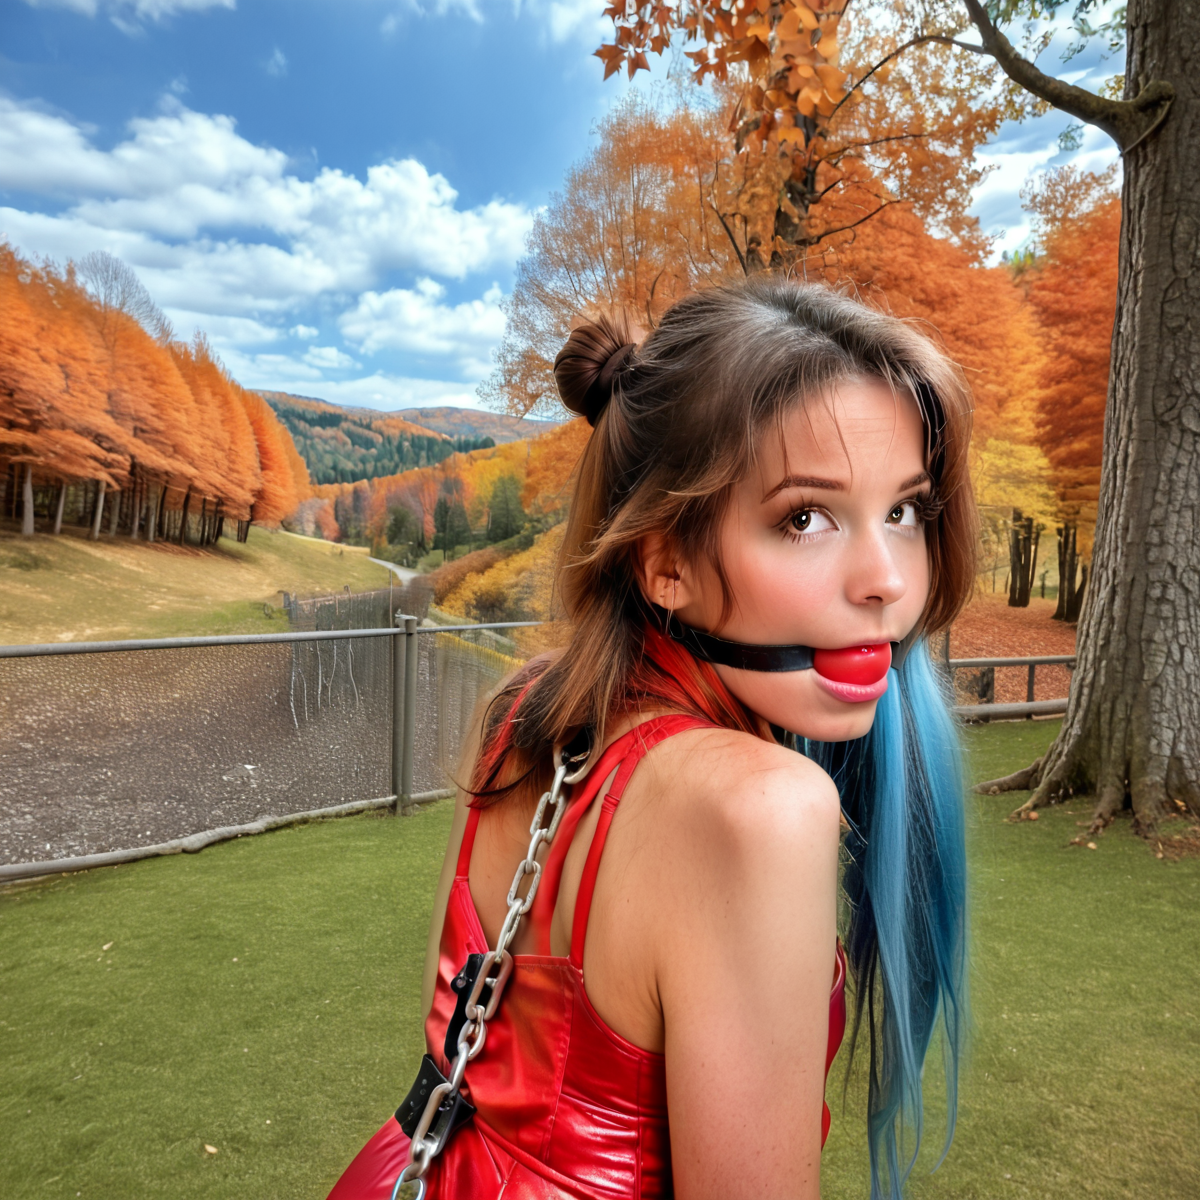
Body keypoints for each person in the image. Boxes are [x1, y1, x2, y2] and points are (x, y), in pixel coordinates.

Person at [329, 275, 975, 1200]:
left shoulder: (521, 707)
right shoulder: (764, 806)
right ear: (665, 561)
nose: (888, 582)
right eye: (806, 518)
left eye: (905, 511)